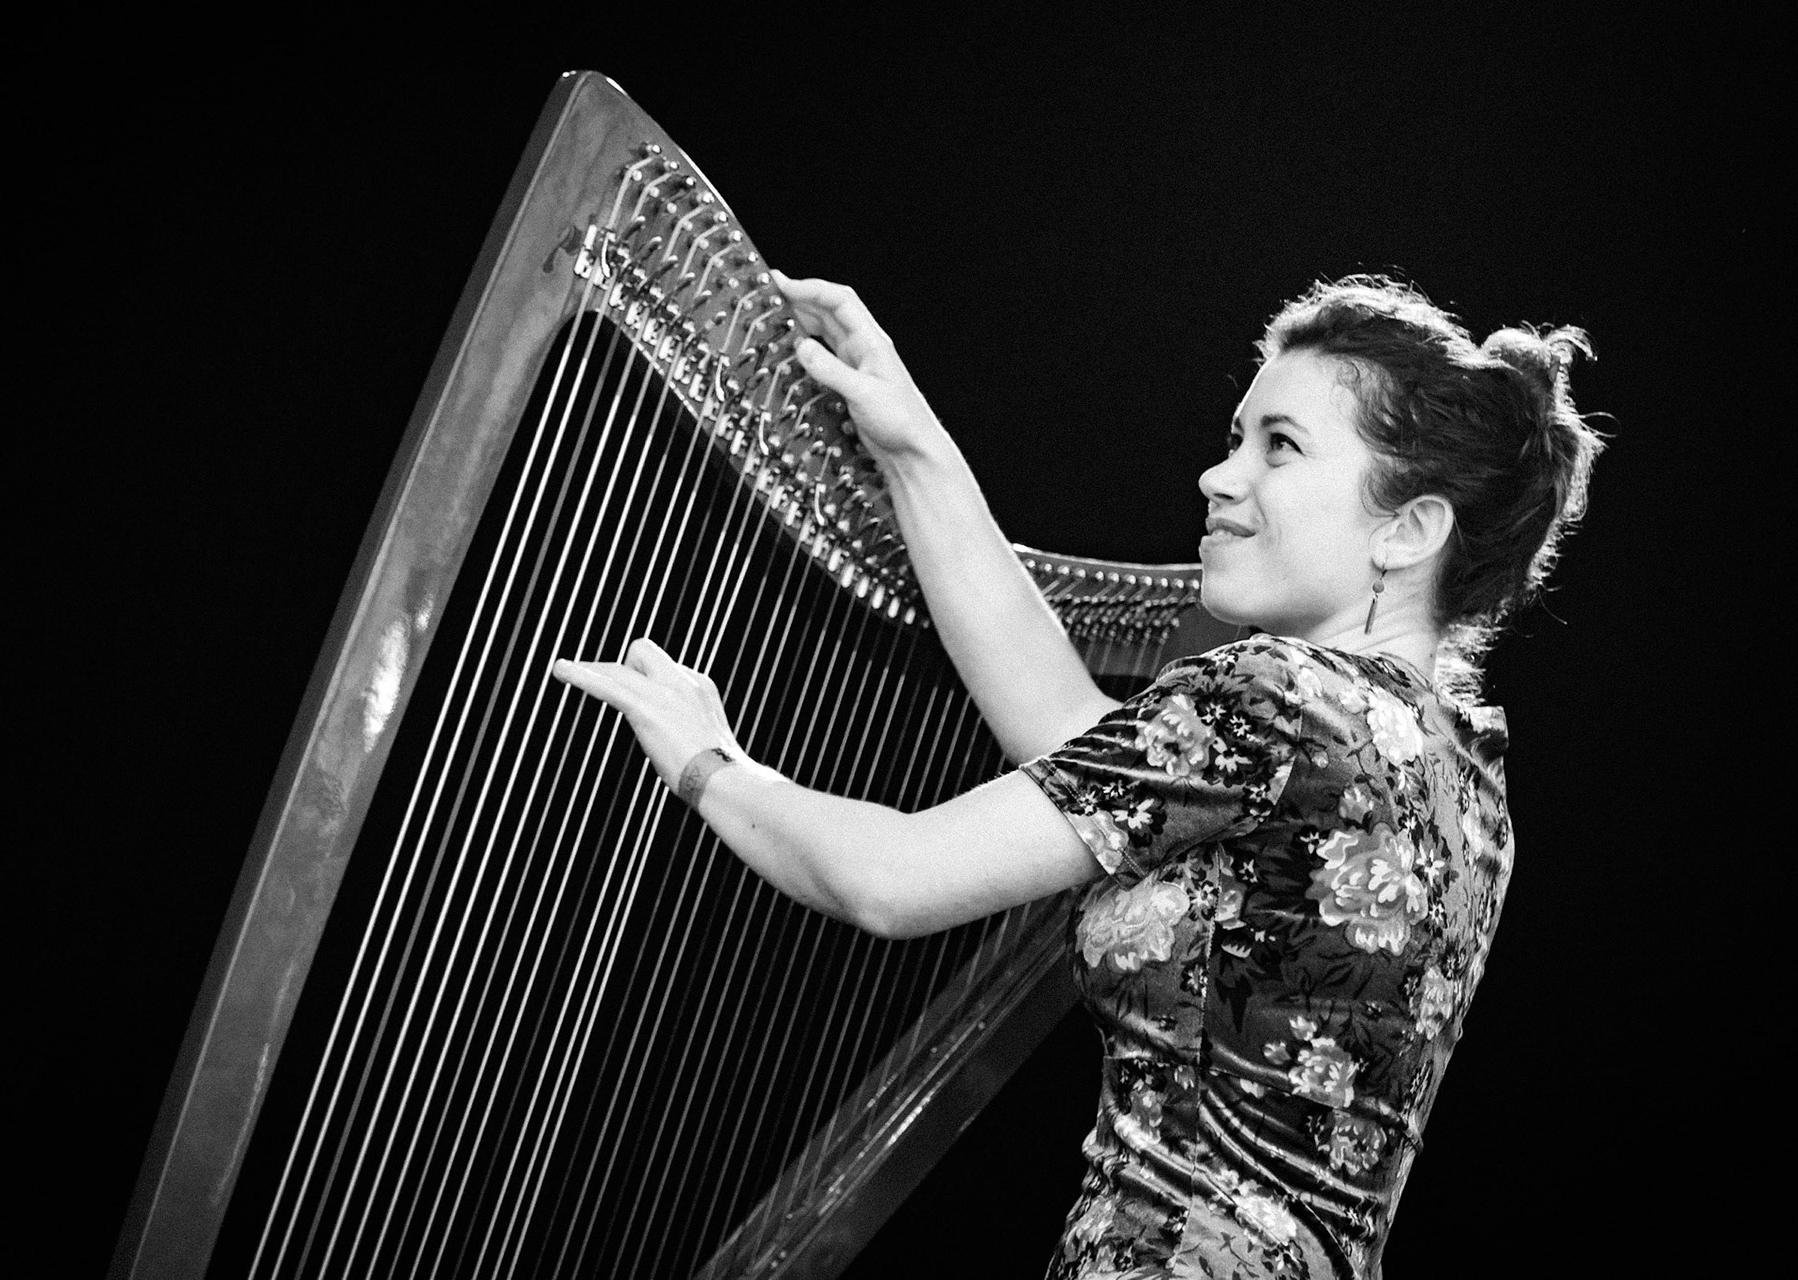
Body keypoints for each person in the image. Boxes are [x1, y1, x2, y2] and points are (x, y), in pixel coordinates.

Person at [552, 271, 1602, 1278]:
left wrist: (708, 760)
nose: (1219, 476)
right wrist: (914, 445)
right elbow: (1072, 739)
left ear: (1409, 526)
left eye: (1278, 447)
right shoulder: (1463, 775)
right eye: (1235, 437)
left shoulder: (1274, 695)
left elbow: (894, 878)